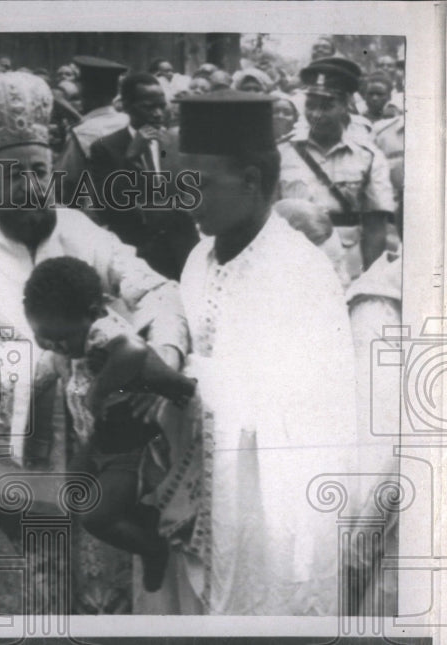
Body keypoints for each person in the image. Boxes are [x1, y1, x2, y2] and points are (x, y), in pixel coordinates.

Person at [0, 71, 189, 615]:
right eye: (12, 175)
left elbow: (158, 290)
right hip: (20, 468)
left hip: (100, 456)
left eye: (37, 170)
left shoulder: (81, 231)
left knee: (105, 602)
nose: (29, 187)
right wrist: (63, 358)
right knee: (28, 610)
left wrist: (160, 358)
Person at [171, 90, 359, 615]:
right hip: (201, 495)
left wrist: (181, 377)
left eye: (201, 184)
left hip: (274, 508)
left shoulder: (300, 271)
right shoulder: (198, 258)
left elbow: (303, 409)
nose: (188, 198)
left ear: (252, 181)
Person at [23, 256, 198, 593]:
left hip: (130, 447)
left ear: (92, 313)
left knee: (96, 518)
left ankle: (152, 548)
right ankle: (138, 515)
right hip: (100, 437)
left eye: (63, 340)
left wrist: (101, 391)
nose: (56, 347)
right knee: (73, 490)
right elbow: (55, 358)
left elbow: (134, 350)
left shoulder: (105, 331)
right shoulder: (74, 332)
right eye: (45, 339)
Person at [277, 57, 395, 282]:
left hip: (346, 270)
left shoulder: (368, 157)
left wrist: (368, 281)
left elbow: (375, 229)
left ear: (346, 107)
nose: (315, 114)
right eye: (311, 105)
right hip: (291, 266)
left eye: (327, 106)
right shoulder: (283, 152)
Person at [89, 72, 199, 281]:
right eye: (149, 107)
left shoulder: (174, 143)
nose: (158, 114)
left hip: (182, 253)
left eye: (161, 105)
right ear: (127, 106)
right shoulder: (106, 148)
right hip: (137, 256)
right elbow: (107, 208)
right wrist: (130, 159)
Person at [56, 56, 130, 205]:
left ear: (84, 93)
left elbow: (63, 182)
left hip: (95, 213)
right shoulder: (128, 121)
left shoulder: (83, 132)